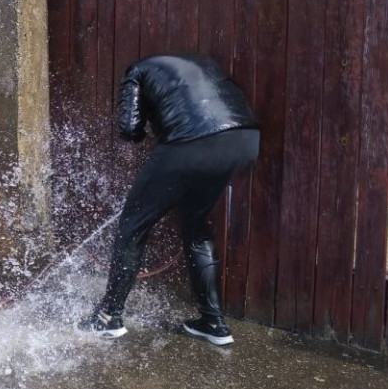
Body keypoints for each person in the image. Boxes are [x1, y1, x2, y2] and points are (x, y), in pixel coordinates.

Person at [81, 53, 259, 346]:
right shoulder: (207, 65)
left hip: (192, 140)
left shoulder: (136, 71)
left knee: (132, 225)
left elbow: (129, 128)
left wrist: (146, 130)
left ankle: (108, 317)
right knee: (195, 222)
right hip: (244, 139)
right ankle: (214, 323)